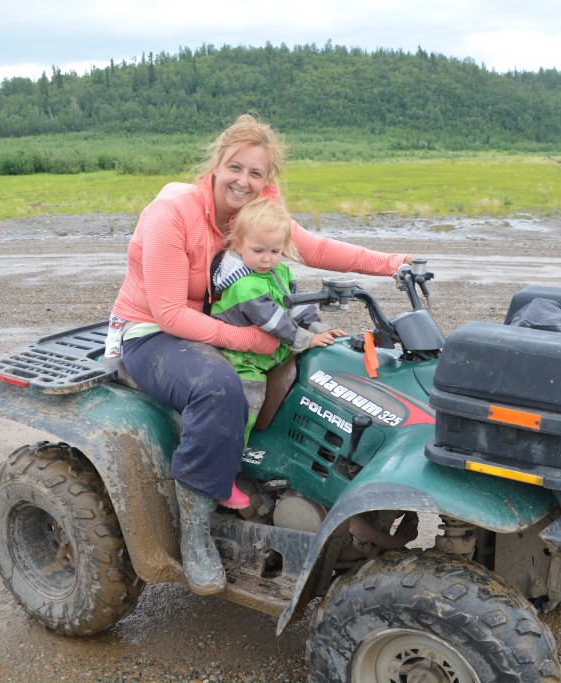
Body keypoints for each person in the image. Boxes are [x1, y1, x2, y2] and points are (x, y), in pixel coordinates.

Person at [105, 114, 413, 596]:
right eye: (236, 168)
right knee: (218, 386)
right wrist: (251, 341)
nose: (244, 181)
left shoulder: (255, 214)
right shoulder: (171, 215)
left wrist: (391, 264)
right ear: (216, 164)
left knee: (317, 362)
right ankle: (196, 531)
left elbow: (314, 248)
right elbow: (168, 313)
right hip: (152, 332)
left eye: (257, 173)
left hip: (221, 322)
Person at [210, 197, 346, 450]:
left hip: (271, 351)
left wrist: (319, 330)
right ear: (239, 244)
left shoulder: (281, 273)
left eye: (274, 251)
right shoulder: (244, 284)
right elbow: (272, 320)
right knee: (249, 397)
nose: (266, 259)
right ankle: (232, 449)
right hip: (241, 358)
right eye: (258, 251)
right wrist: (306, 339)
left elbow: (295, 306)